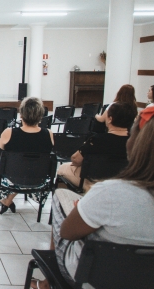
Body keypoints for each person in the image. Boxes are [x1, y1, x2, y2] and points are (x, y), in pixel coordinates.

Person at [31, 106, 154, 289]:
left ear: (138, 143)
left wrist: (79, 211)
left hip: (92, 276)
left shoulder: (110, 192)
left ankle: (48, 282)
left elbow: (67, 233)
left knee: (60, 196)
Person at [0, 97, 54, 214]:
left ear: (21, 114)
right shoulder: (48, 134)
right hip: (39, 179)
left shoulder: (9, 132)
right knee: (26, 168)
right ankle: (8, 200)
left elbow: (1, 146)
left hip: (12, 177)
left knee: (6, 168)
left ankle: (6, 199)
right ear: (41, 115)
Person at [56, 102, 135, 191]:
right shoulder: (135, 142)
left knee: (62, 168)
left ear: (110, 119)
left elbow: (76, 159)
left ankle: (68, 202)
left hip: (94, 182)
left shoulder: (97, 140)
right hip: (124, 183)